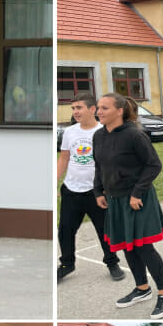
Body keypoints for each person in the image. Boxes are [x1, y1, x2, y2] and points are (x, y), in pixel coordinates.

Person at [93, 92, 163, 319]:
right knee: (127, 246)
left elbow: (153, 165)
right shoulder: (99, 136)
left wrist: (137, 193)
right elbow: (99, 166)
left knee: (144, 247)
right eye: (98, 108)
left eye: (104, 108)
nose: (99, 111)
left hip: (138, 200)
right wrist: (98, 191)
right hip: (115, 200)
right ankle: (141, 289)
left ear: (119, 111)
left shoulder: (134, 135)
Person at [57, 93, 123, 282]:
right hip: (71, 190)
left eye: (79, 108)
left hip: (97, 192)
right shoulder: (70, 132)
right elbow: (64, 158)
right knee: (65, 230)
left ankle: (112, 262)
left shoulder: (105, 131)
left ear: (92, 109)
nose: (75, 112)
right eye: (73, 108)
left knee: (104, 230)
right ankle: (66, 264)